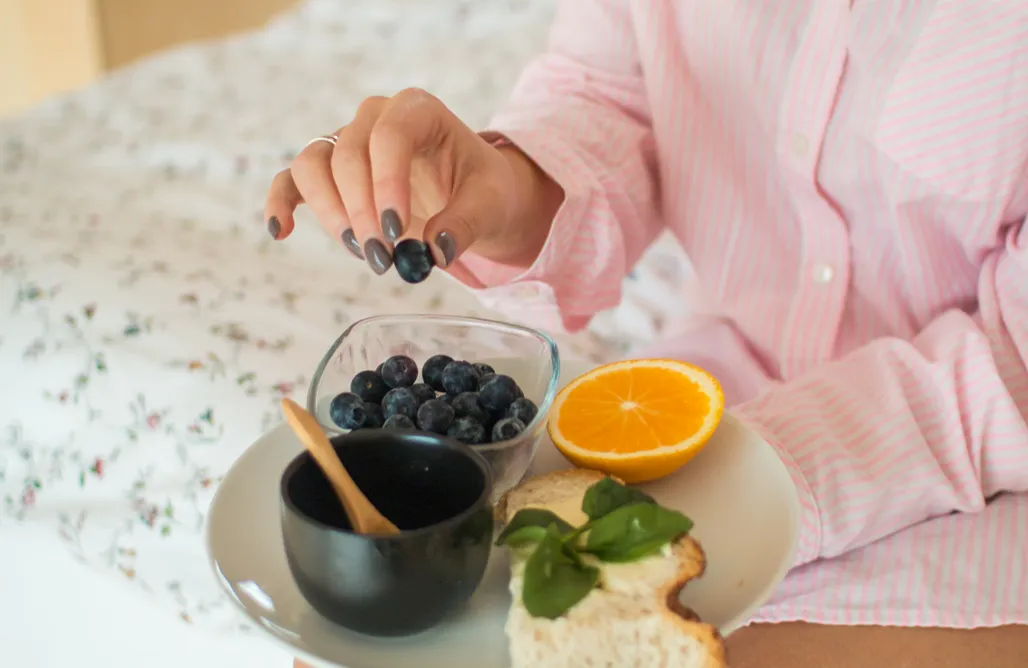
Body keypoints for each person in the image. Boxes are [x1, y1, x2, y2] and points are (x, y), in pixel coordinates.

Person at [266, 2, 1028, 665]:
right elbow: (606, 94)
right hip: (695, 416)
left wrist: (754, 483)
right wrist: (505, 191)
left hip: (985, 489)